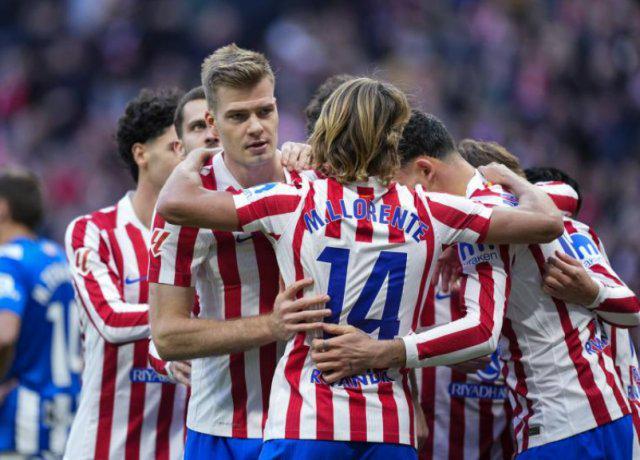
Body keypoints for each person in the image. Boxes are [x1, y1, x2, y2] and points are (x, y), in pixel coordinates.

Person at [156, 77, 562, 459]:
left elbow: (175, 203)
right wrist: (514, 181)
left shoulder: (291, 200)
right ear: (393, 141)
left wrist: (197, 158)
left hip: (307, 417)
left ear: (327, 134)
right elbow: (547, 222)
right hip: (390, 425)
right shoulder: (434, 210)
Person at [312, 114, 639, 460]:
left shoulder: (483, 222)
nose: (401, 202)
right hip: (608, 413)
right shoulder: (509, 201)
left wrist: (381, 352)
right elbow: (565, 195)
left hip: (562, 429)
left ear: (425, 170)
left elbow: (482, 333)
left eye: (400, 187)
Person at [148, 44, 329, 460]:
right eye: (238, 116)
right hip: (222, 425)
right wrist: (272, 326)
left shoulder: (316, 180)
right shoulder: (184, 203)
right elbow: (167, 334)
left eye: (265, 111)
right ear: (213, 123)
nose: (256, 127)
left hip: (311, 422)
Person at [64, 88, 189, 460]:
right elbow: (109, 319)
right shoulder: (93, 232)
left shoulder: (203, 238)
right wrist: (187, 326)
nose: (188, 158)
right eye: (176, 147)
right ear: (141, 154)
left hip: (177, 448)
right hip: (102, 449)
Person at [525, 165, 640, 458]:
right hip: (600, 417)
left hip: (587, 419)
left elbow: (632, 309)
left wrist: (591, 293)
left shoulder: (573, 236)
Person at [0, 170, 80, 458]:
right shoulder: (59, 257)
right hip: (67, 418)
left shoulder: (8, 261)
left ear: (3, 208)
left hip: (20, 424)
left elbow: (4, 334)